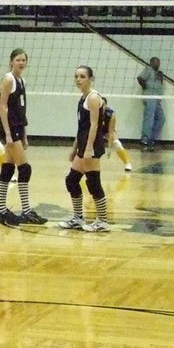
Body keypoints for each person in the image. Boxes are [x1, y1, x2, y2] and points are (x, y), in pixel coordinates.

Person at [0, 49, 47, 226]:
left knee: (9, 168)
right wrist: (8, 133)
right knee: (25, 169)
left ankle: (2, 210)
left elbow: (21, 110)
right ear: (11, 61)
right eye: (18, 59)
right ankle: (25, 211)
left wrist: (24, 134)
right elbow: (2, 107)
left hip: (18, 128)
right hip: (10, 129)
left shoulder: (21, 81)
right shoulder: (8, 79)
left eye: (24, 60)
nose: (21, 62)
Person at [58, 65, 110, 232]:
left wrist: (88, 149)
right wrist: (75, 148)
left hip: (92, 145)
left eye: (82, 76)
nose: (79, 79)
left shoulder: (93, 98)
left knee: (94, 183)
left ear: (90, 79)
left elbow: (95, 126)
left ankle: (102, 221)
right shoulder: (83, 98)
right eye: (77, 76)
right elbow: (82, 127)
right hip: (83, 144)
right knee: (72, 180)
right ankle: (78, 218)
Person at [136, 56, 166, 151]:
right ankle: (145, 139)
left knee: (161, 119)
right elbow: (140, 78)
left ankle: (152, 138)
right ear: (152, 63)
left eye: (159, 62)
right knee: (149, 118)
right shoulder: (148, 69)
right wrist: (145, 87)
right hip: (150, 97)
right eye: (156, 62)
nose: (158, 64)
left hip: (157, 98)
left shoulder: (158, 73)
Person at [104, 107, 133, 171]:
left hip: (106, 131)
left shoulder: (110, 114)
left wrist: (109, 148)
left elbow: (111, 132)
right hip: (95, 130)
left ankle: (127, 163)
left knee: (116, 143)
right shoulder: (93, 110)